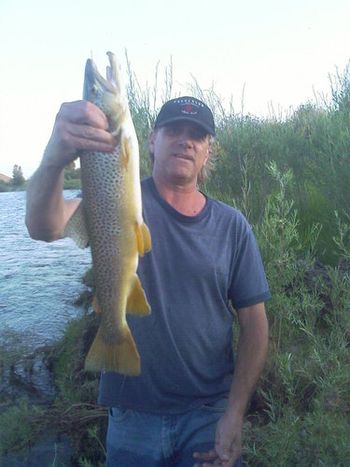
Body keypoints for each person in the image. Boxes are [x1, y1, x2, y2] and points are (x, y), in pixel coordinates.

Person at [26, 95, 270, 467]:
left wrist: (235, 412)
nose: (186, 140)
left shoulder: (232, 226)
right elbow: (43, 226)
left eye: (198, 135)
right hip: (131, 416)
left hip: (208, 414)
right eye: (174, 129)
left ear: (207, 152)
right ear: (151, 140)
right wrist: (55, 158)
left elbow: (255, 325)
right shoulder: (115, 197)